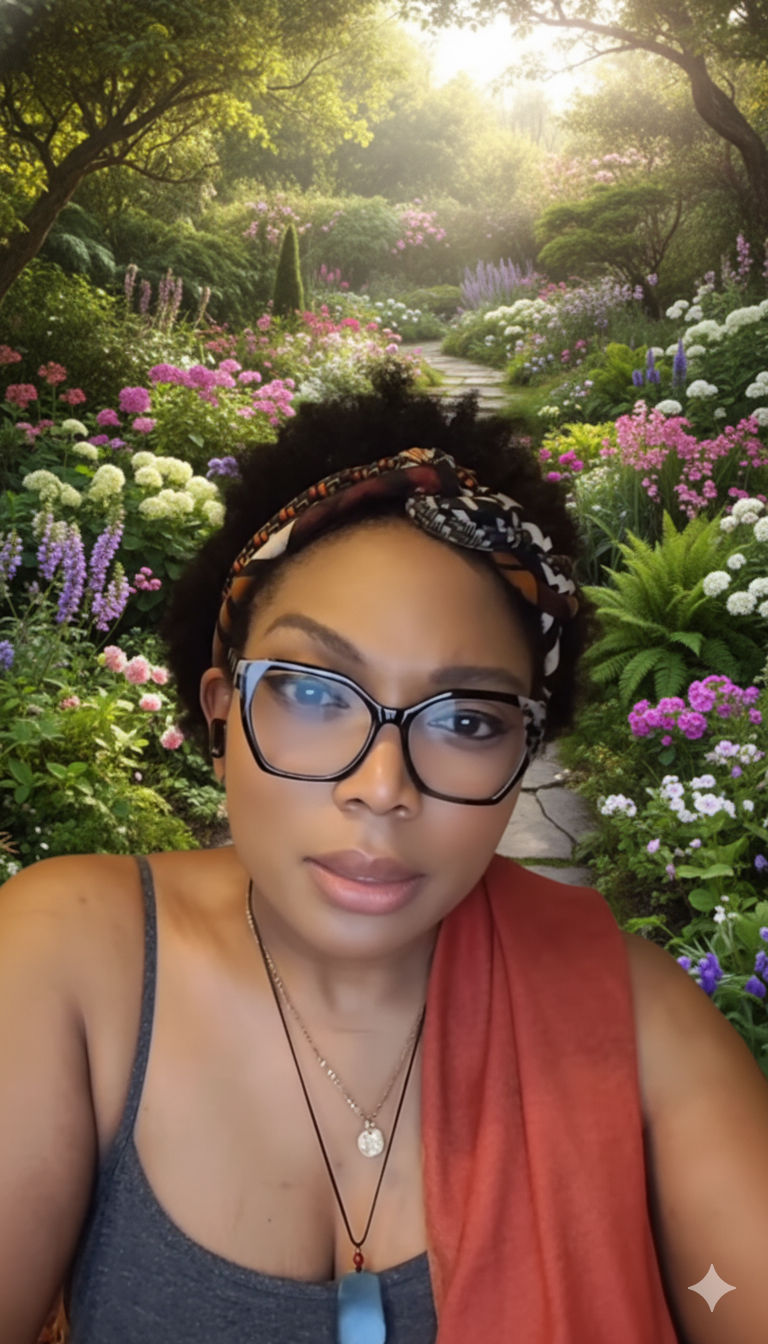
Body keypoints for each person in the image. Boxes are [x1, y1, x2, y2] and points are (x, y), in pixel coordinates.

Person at [2, 381, 768, 1344]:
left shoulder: (635, 1018)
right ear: (220, 710)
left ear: (522, 750)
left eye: (466, 719)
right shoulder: (74, 962)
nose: (381, 786)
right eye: (317, 694)